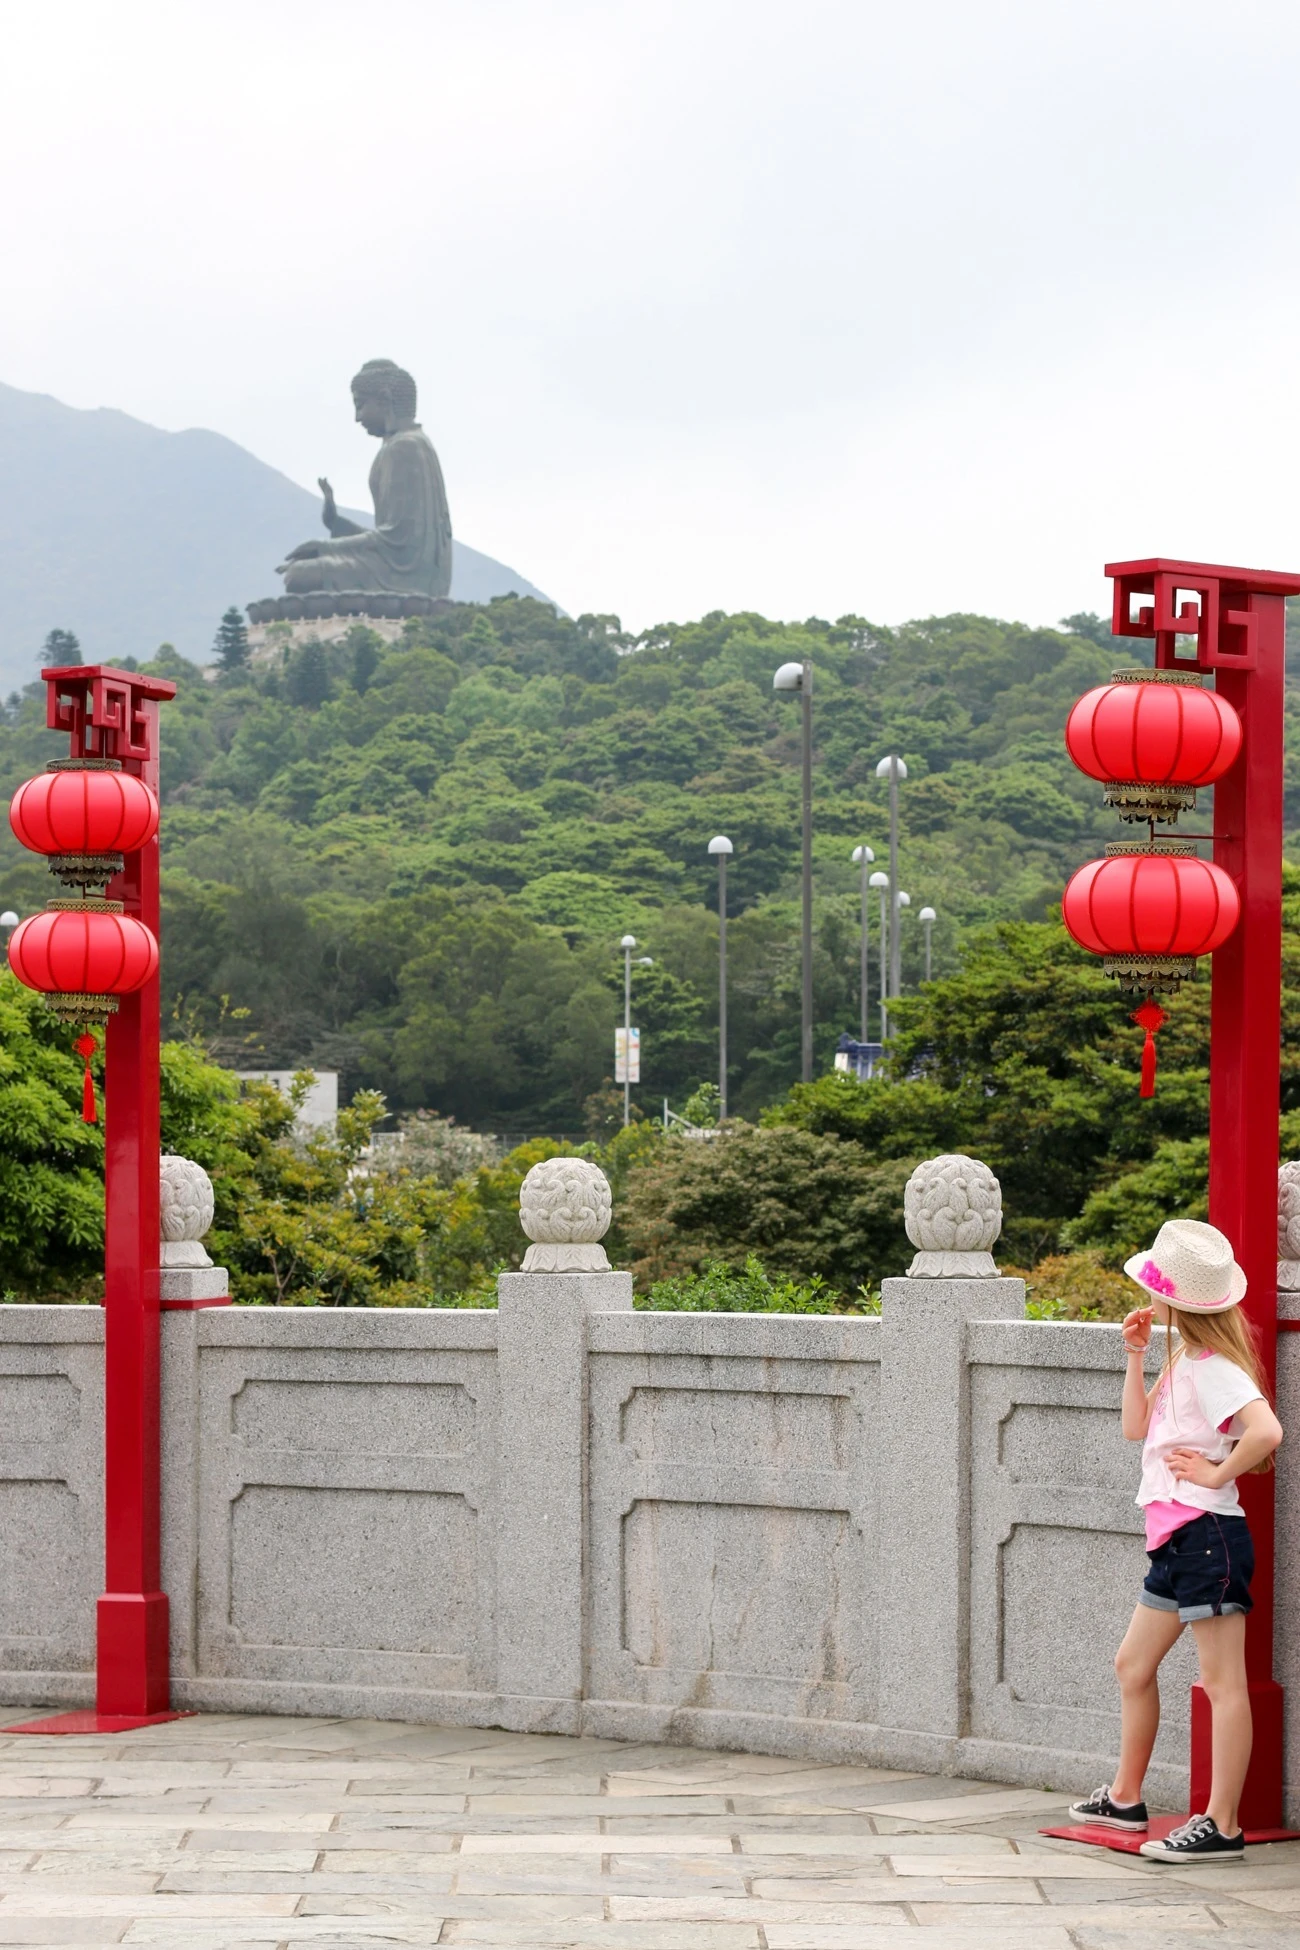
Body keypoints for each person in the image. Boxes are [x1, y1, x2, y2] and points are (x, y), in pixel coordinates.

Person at [1068, 1219, 1283, 1861]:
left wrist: (1216, 1471)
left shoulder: (1213, 1367)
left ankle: (1222, 1825)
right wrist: (1135, 1354)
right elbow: (1137, 1428)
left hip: (1207, 1536)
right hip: (1175, 1539)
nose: (1147, 1296)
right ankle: (1127, 1798)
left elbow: (1266, 1431)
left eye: (1155, 1289)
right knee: (1131, 1666)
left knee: (1224, 1686)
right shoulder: (1183, 1357)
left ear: (1177, 1300)